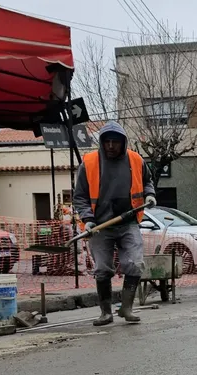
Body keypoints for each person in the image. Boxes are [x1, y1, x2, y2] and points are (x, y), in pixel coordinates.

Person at [72, 121, 156, 326]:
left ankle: (126, 308)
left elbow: (147, 181)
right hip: (100, 225)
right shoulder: (89, 163)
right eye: (107, 141)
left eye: (115, 142)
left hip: (128, 222)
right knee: (102, 268)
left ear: (123, 143)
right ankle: (106, 312)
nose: (111, 146)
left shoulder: (135, 160)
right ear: (101, 142)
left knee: (135, 264)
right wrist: (88, 220)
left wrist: (150, 195)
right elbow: (80, 196)